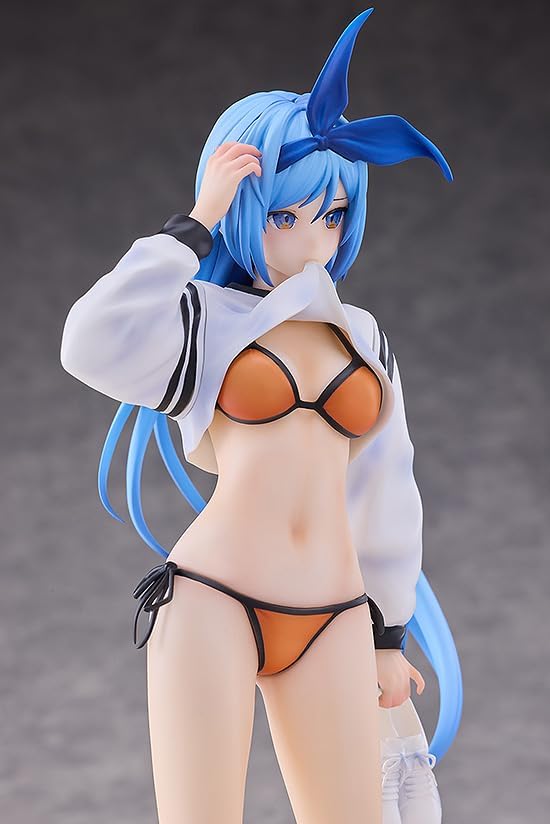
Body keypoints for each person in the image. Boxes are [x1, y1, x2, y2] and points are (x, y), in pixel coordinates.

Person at [60, 8, 462, 823]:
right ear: (248, 208)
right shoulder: (202, 320)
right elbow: (88, 341)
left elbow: (388, 488)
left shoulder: (363, 337)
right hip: (215, 596)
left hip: (336, 612)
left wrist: (388, 633)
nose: (312, 240)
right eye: (284, 215)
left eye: (332, 215)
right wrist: (196, 221)